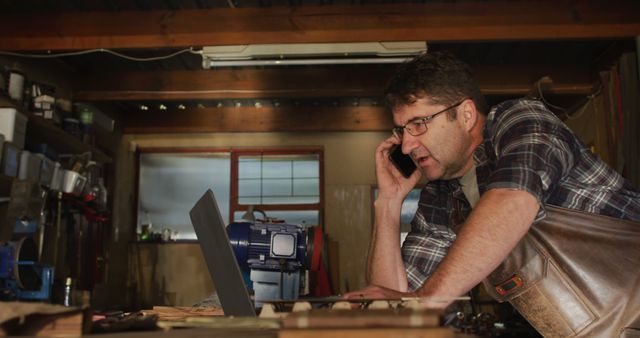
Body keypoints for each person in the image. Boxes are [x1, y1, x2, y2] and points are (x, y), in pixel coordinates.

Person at [344, 51, 640, 337]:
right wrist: (389, 203)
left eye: (418, 124)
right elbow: (397, 306)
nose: (407, 145)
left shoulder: (521, 121)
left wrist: (426, 301)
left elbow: (513, 200)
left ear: (466, 114)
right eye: (401, 130)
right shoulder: (443, 197)